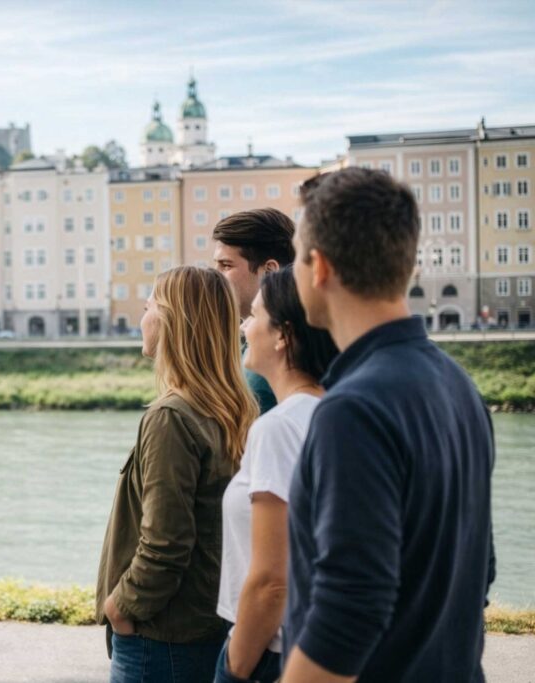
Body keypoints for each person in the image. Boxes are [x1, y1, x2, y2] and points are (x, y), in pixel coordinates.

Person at [283, 168, 495, 682]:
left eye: (295, 254)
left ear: (320, 268)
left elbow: (348, 612)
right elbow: (480, 570)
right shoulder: (459, 385)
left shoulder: (351, 410)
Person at [96, 266, 259, 683]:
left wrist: (122, 609)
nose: (143, 316)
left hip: (161, 638)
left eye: (149, 305)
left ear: (172, 321)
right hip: (207, 626)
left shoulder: (171, 416)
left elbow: (166, 543)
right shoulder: (235, 411)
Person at [214, 267, 338, 683]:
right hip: (315, 644)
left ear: (283, 335)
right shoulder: (337, 413)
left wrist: (236, 666)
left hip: (270, 650)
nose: (244, 326)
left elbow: (271, 583)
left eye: (253, 315)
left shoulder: (278, 427)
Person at [212, 209, 296, 413]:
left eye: (226, 266)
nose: (215, 277)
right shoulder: (256, 345)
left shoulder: (276, 352)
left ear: (269, 270)